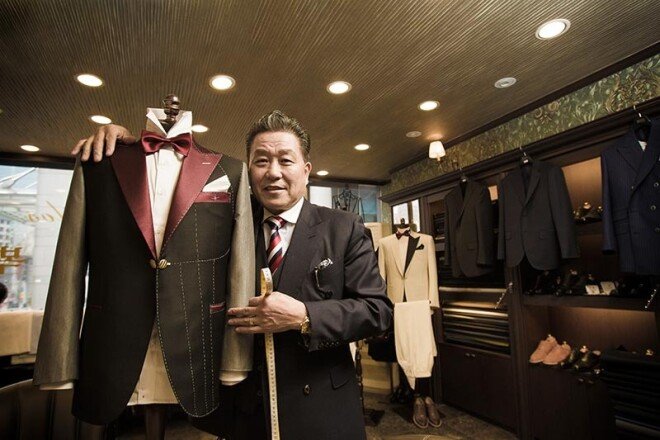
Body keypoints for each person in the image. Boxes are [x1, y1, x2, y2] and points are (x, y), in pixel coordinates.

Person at [73, 110, 393, 439]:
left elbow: (377, 311)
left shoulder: (343, 228)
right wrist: (127, 151)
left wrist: (304, 315)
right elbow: (166, 197)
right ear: (248, 171)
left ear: (306, 170)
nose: (273, 172)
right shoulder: (223, 220)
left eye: (286, 160)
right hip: (243, 409)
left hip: (320, 408)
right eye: (261, 161)